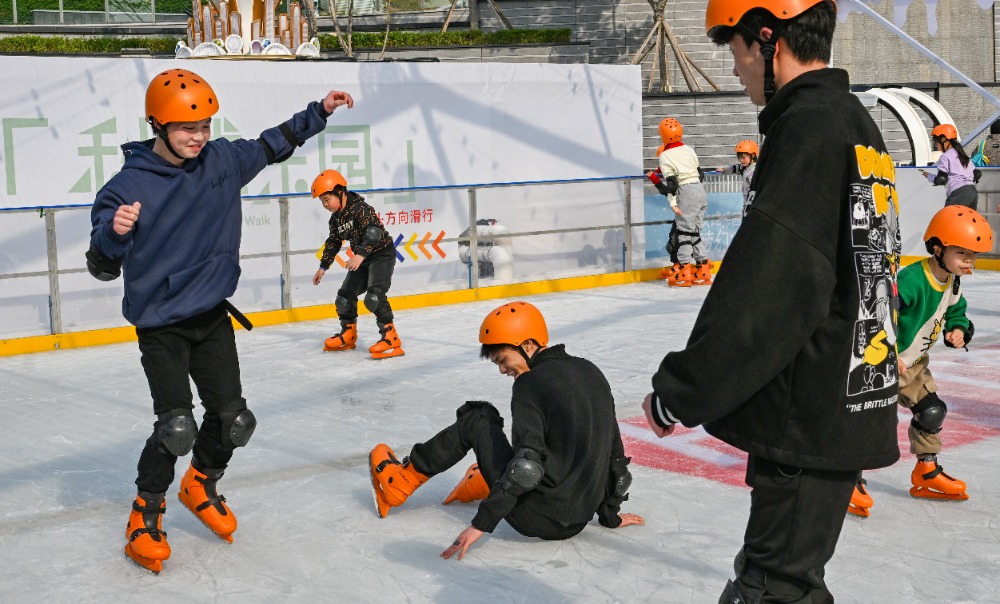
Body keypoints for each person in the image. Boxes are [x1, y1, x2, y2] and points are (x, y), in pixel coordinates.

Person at [642, 0, 901, 600]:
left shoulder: (808, 129)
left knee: (772, 588)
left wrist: (682, 389)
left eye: (736, 52)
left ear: (768, 40)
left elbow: (773, 284)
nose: (735, 70)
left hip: (809, 413)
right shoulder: (855, 122)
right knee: (789, 581)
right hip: (848, 392)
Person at [87, 68, 354, 574]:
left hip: (211, 316)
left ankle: (201, 483)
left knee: (234, 421)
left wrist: (319, 112)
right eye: (187, 128)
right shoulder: (128, 186)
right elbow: (101, 264)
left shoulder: (222, 160)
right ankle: (145, 512)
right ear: (157, 125)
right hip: (161, 324)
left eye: (205, 125)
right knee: (176, 427)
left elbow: (273, 144)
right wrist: (115, 235)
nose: (198, 137)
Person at [367, 301, 643, 560]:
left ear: (528, 344)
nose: (501, 370)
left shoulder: (530, 384)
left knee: (478, 417)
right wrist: (610, 515)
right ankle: (483, 478)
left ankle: (399, 483)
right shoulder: (590, 371)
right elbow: (615, 456)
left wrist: (481, 524)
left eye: (502, 359)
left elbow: (527, 467)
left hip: (535, 517)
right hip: (577, 521)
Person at [851, 206, 993, 517]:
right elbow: (880, 315)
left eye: (974, 254)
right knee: (874, 422)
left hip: (913, 364)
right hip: (881, 363)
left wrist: (959, 329)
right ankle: (846, 478)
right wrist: (887, 352)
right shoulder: (913, 281)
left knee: (931, 411)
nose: (970, 260)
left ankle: (926, 473)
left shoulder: (953, 280)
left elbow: (957, 310)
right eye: (962, 252)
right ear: (938, 248)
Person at [311, 169, 403, 359]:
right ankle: (348, 334)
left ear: (340, 192)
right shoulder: (336, 218)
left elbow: (374, 232)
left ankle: (391, 337)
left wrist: (359, 255)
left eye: (327, 199)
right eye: (322, 202)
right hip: (363, 258)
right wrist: (323, 267)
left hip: (381, 255)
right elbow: (334, 242)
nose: (325, 205)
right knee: (344, 298)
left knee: (374, 297)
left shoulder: (362, 209)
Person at [647, 117, 711, 286]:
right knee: (695, 231)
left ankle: (683, 270)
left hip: (686, 191)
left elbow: (672, 185)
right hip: (700, 190)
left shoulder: (666, 155)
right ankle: (703, 267)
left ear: (662, 136)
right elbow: (700, 173)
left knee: (683, 232)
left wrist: (654, 179)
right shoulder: (688, 149)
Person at [919, 124, 981, 210]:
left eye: (936, 141)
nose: (936, 145)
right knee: (967, 221)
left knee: (947, 220)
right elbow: (977, 174)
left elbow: (942, 179)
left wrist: (928, 175)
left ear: (943, 139)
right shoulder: (962, 155)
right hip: (972, 192)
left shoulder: (945, 156)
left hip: (959, 193)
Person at [717, 139, 759, 216]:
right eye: (739, 158)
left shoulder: (753, 172)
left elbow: (756, 189)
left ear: (752, 156)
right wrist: (725, 170)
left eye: (743, 157)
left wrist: (750, 207)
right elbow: (736, 167)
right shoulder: (745, 167)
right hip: (747, 204)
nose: (741, 160)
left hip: (752, 206)